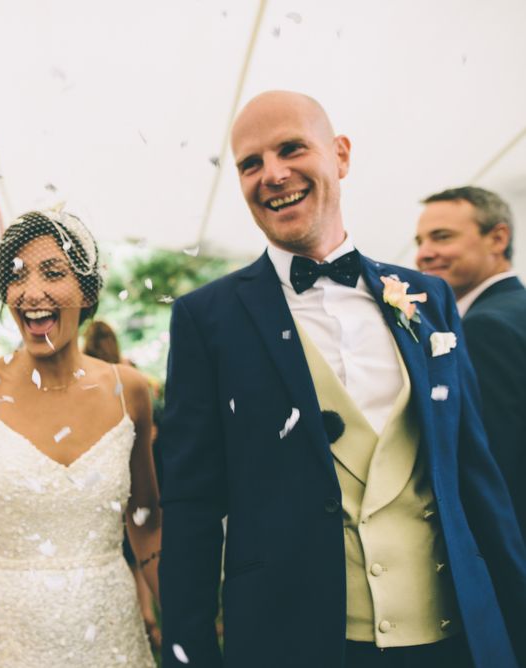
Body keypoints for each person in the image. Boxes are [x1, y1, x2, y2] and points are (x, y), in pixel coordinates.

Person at [158, 91, 526, 668]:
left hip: (452, 639)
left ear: (341, 156)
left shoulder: (429, 300)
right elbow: (192, 504)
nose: (272, 174)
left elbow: (474, 472)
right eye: (250, 164)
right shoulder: (208, 319)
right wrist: (189, 654)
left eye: (290, 149)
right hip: (300, 641)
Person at [0, 210, 160, 667]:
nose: (32, 292)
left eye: (53, 273)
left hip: (112, 639)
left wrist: (187, 628)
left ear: (88, 290)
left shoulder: (129, 389)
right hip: (7, 643)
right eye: (16, 277)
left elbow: (146, 521)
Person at [416, 186, 526, 540]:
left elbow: (494, 463)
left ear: (497, 238)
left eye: (442, 237)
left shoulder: (483, 328)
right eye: (420, 242)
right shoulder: (515, 311)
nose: (424, 254)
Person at [83, 319, 162, 651]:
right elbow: (154, 428)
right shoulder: (130, 375)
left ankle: (144, 613)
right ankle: (147, 612)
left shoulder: (91, 379)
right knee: (134, 541)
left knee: (125, 546)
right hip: (127, 472)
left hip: (97, 479)